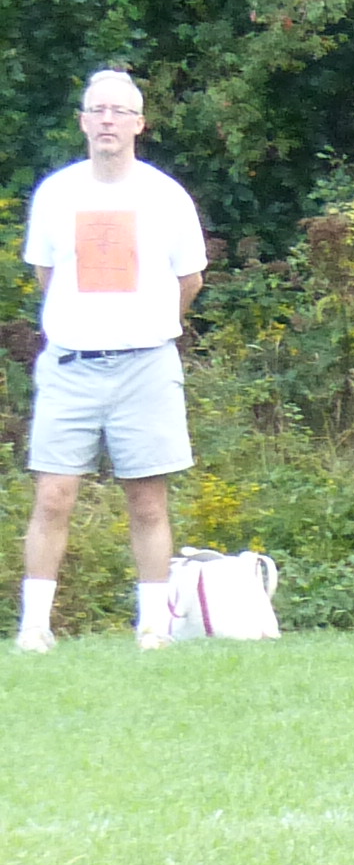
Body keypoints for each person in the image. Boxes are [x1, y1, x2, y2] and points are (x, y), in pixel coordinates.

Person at [18, 69, 210, 654]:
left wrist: (147, 328)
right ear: (82, 121)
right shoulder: (56, 193)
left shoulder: (165, 196)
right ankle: (34, 627)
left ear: (139, 124)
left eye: (120, 112)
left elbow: (190, 280)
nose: (108, 121)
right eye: (97, 110)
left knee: (148, 500)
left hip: (146, 365)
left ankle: (153, 627)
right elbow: (48, 274)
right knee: (54, 496)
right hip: (70, 364)